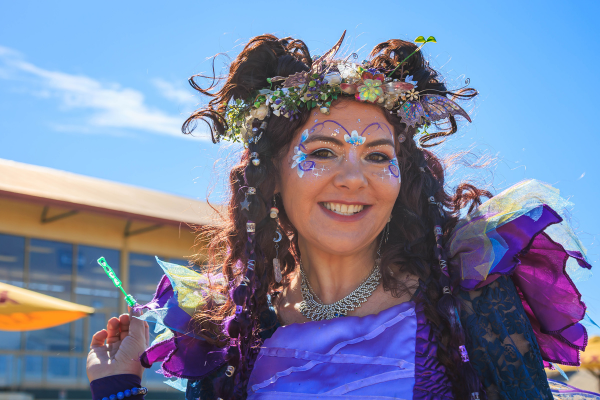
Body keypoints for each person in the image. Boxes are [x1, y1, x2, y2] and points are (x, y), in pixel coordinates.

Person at [87, 32, 598, 400]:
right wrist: (117, 386)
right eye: (325, 151)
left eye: (378, 155)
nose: (356, 178)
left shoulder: (467, 296)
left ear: (404, 179)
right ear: (273, 178)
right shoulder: (235, 327)